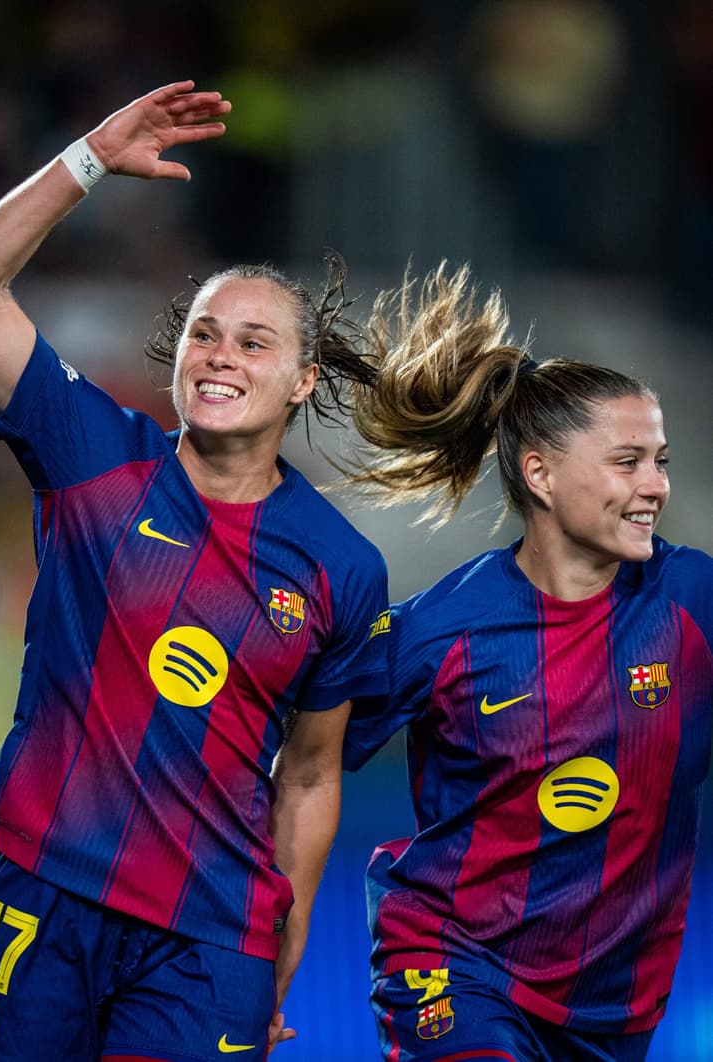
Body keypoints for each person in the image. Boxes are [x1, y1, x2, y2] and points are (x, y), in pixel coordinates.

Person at [0, 80, 390, 1062]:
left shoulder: (339, 567)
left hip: (207, 942)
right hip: (42, 896)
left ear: (304, 381)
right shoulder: (93, 454)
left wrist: (286, 946)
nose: (221, 356)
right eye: (204, 334)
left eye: (254, 341)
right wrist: (87, 158)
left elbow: (308, 776)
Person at [342, 262, 713, 1062]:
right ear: (540, 474)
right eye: (627, 462)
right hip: (454, 972)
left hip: (615, 1009)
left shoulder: (693, 603)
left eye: (661, 459)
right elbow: (296, 763)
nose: (655, 486)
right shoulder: (441, 630)